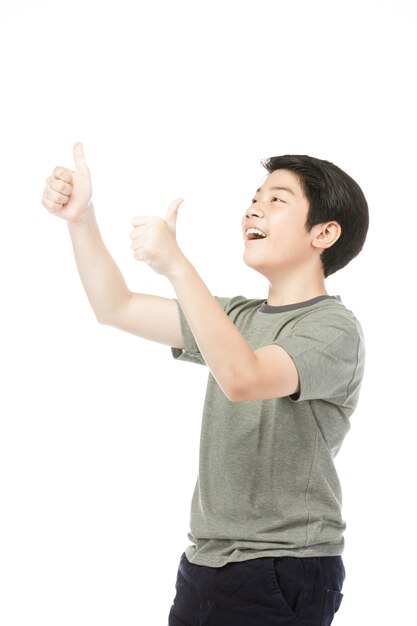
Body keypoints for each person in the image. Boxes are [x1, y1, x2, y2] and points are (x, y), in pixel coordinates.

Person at [41, 144, 369, 626]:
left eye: (277, 199)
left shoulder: (334, 329)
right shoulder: (234, 316)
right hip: (205, 564)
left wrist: (177, 265)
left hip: (285, 565)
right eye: (254, 197)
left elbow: (244, 377)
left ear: (324, 232)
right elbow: (116, 306)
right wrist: (81, 218)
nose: (253, 207)